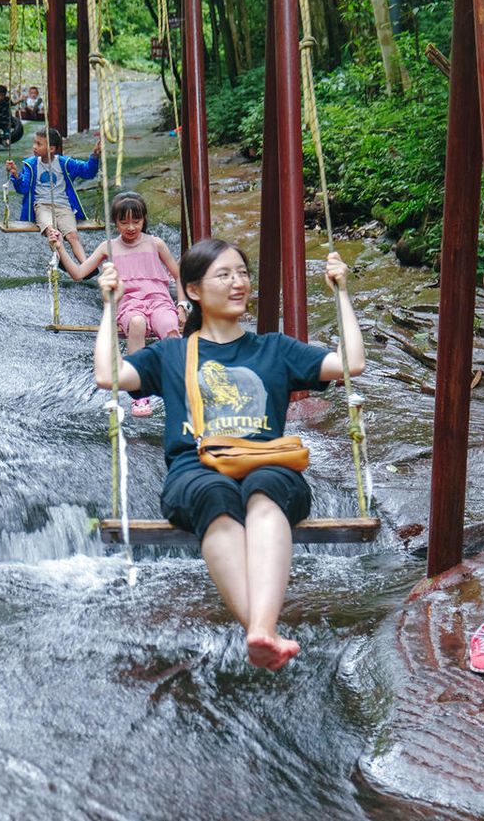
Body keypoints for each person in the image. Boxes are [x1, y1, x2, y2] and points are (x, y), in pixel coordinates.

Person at [94, 238, 365, 671]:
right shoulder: (172, 353)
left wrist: (342, 295)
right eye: (223, 275)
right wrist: (111, 306)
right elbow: (108, 375)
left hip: (269, 463)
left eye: (242, 273)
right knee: (214, 495)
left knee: (266, 489)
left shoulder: (274, 348)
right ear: (193, 291)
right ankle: (261, 632)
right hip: (195, 468)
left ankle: (261, 629)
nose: (238, 283)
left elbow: (350, 365)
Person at [49, 191, 185, 418]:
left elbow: (179, 275)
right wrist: (61, 248)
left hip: (159, 301)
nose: (131, 227)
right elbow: (79, 273)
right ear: (115, 222)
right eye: (124, 222)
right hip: (129, 305)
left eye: (136, 221)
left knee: (169, 326)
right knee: (137, 323)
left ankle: (179, 382)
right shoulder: (108, 247)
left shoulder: (156, 244)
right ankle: (139, 392)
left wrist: (182, 305)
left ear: (143, 219)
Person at [6, 127, 101, 263]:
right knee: (53, 233)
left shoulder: (65, 163)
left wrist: (95, 156)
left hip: (64, 207)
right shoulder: (31, 165)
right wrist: (16, 174)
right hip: (42, 206)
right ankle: (65, 263)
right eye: (34, 142)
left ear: (51, 148)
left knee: (73, 236)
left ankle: (86, 266)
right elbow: (23, 188)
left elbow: (88, 172)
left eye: (39, 144)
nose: (34, 147)